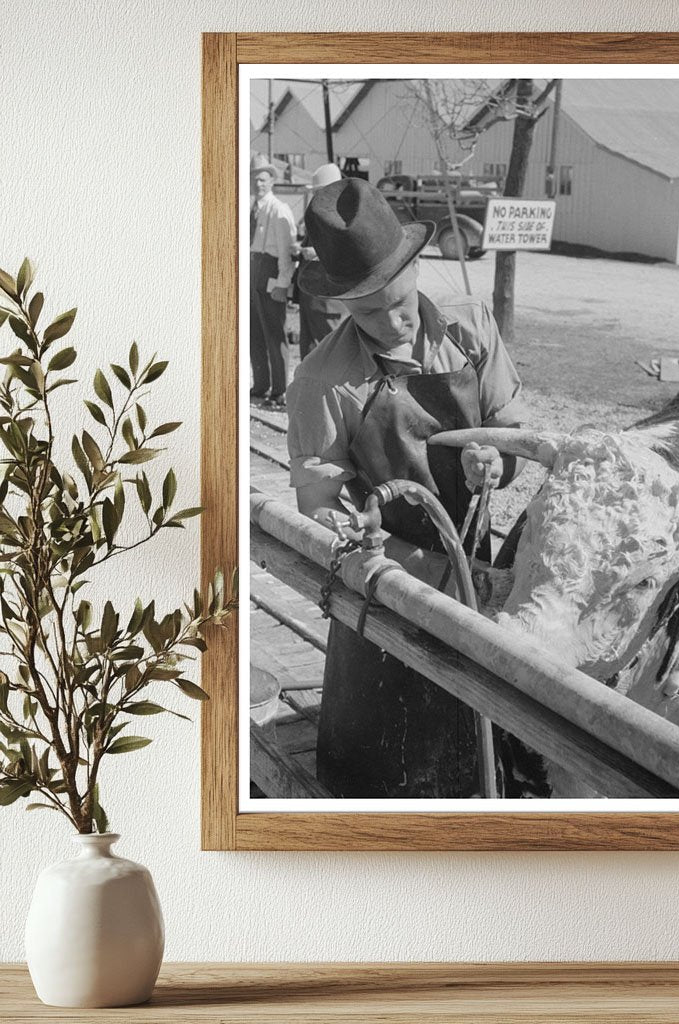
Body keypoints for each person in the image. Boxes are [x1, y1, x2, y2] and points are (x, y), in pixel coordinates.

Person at [286, 177, 526, 798]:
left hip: (474, 564)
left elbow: (512, 432)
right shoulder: (321, 383)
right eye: (369, 311)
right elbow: (318, 507)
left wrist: (495, 460)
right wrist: (400, 562)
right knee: (379, 763)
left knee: (473, 746)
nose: (394, 321)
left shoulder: (470, 329)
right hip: (386, 592)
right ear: (338, 303)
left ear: (418, 265)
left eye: (401, 300)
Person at [249, 153, 296, 407]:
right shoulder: (249, 208)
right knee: (254, 332)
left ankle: (280, 389)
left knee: (274, 333)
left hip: (270, 271)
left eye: (263, 179)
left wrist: (282, 283)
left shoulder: (279, 210)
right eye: (255, 179)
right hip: (252, 270)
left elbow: (286, 251)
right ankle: (260, 384)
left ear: (272, 181)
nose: (259, 184)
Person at [293, 163, 347, 361]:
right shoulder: (319, 214)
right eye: (315, 192)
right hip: (311, 296)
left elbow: (346, 252)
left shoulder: (344, 217)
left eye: (320, 191)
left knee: (330, 354)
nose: (317, 196)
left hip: (328, 301)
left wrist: (316, 253)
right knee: (309, 353)